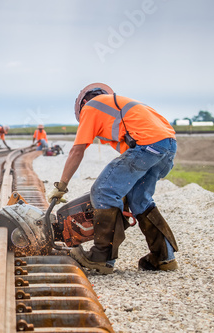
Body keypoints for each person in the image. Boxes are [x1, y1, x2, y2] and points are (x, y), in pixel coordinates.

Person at [47, 82, 179, 274]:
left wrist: (62, 185)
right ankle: (164, 258)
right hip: (166, 147)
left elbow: (77, 150)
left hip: (147, 146)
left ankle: (102, 258)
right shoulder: (122, 108)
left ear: (83, 102)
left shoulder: (91, 107)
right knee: (139, 199)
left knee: (103, 191)